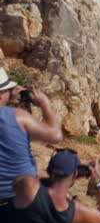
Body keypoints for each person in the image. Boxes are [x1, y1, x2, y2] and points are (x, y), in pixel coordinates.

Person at [0, 149, 100, 223]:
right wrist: (99, 183)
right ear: (75, 174)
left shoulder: (29, 187)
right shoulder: (74, 213)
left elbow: (16, 183)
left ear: (49, 171)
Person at [0, 69, 63, 199]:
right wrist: (45, 104)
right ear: (1, 94)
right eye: (8, 89)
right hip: (18, 197)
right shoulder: (17, 117)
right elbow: (56, 136)